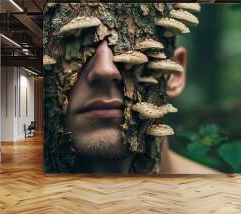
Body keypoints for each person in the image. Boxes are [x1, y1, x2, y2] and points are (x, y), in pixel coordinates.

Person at [66, 40, 217, 174]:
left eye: (130, 45)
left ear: (173, 73)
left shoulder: (227, 202)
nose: (105, 70)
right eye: (75, 44)